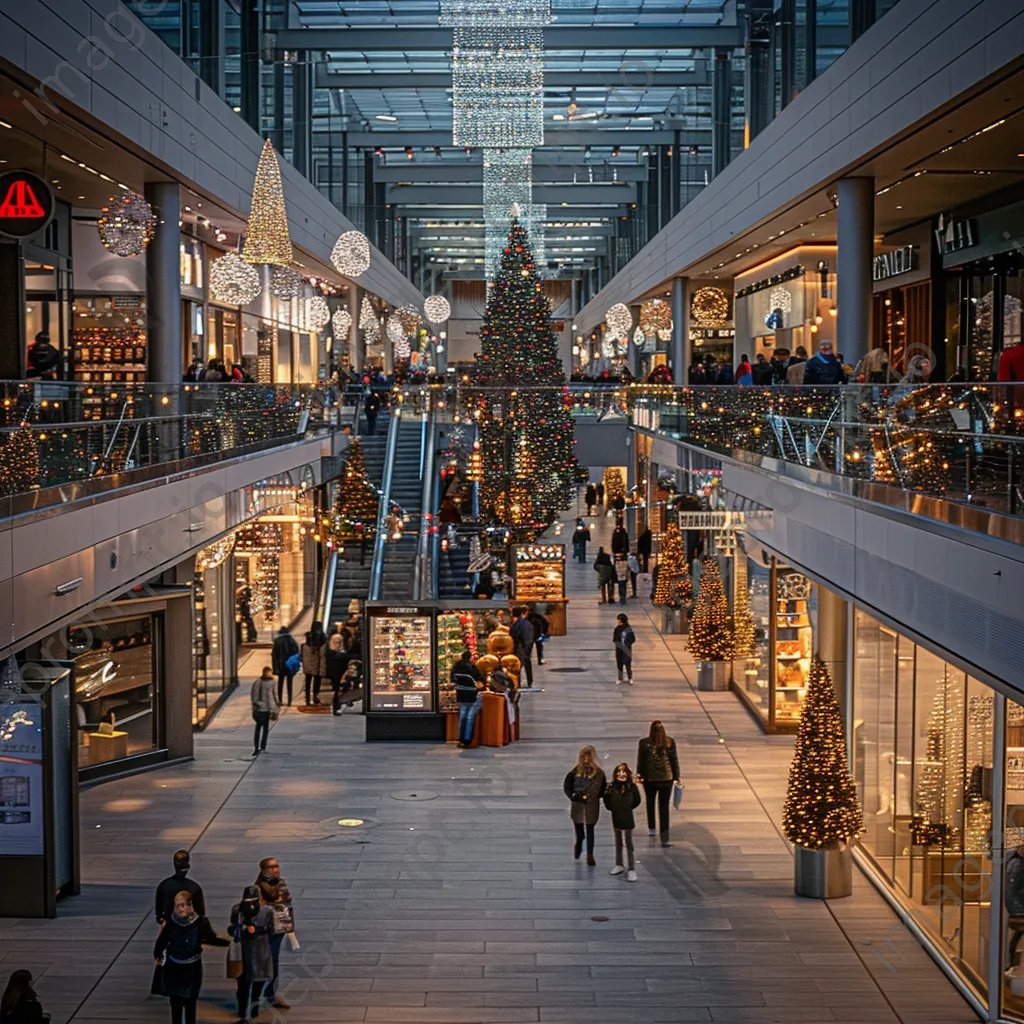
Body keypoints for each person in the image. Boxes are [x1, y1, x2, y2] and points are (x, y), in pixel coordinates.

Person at [153, 890, 228, 1024]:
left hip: (192, 969)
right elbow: (163, 940)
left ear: (189, 905)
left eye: (182, 905)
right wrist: (157, 954)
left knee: (190, 1004)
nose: (179, 909)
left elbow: (210, 938)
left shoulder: (200, 922)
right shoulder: (171, 922)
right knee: (175, 1004)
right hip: (174, 967)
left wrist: (228, 942)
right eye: (177, 906)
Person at [229, 886, 275, 1020]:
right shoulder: (238, 910)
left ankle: (254, 1011)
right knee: (243, 986)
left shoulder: (267, 911)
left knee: (257, 986)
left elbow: (271, 929)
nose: (251, 907)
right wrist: (240, 928)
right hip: (244, 953)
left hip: (260, 952)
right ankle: (242, 1012)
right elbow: (232, 927)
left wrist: (258, 930)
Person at [255, 858, 293, 1010]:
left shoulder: (279, 883)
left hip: (279, 928)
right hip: (266, 930)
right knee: (264, 964)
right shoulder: (259, 887)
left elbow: (286, 901)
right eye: (271, 867)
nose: (275, 869)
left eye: (277, 866)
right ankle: (261, 995)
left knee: (273, 962)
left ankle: (270, 993)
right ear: (264, 870)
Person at [636, 720, 680, 845]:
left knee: (650, 802)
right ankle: (664, 836)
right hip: (666, 779)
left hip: (650, 779)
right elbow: (674, 760)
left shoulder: (644, 743)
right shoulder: (669, 742)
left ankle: (652, 827)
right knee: (664, 807)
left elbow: (641, 760)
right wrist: (676, 776)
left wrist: (639, 774)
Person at [563, 745, 606, 867]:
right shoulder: (575, 772)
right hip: (578, 805)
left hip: (591, 806)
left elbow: (602, 789)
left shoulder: (598, 773)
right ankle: (579, 843)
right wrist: (573, 796)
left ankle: (590, 854)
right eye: (584, 757)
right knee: (580, 830)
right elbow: (567, 786)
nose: (586, 760)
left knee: (590, 829)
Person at [603, 763, 642, 882]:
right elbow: (607, 801)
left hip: (627, 817)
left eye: (624, 772)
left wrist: (627, 808)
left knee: (629, 843)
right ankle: (619, 863)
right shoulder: (611, 787)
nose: (621, 775)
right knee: (618, 841)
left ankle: (631, 868)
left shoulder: (632, 787)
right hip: (616, 816)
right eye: (619, 773)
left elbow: (637, 800)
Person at [155, 850, 206, 925]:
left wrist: (163, 921)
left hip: (170, 929)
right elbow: (201, 914)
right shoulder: (195, 887)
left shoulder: (164, 885)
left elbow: (159, 914)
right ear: (188, 865)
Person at [451, 650, 483, 747]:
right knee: (470, 717)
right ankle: (467, 739)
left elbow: (452, 679)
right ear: (469, 658)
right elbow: (479, 679)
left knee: (463, 716)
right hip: (472, 694)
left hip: (461, 693)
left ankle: (460, 738)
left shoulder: (456, 667)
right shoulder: (472, 668)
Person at [250, 667, 278, 758]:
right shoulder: (260, 682)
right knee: (261, 728)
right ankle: (259, 747)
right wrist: (260, 704)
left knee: (263, 729)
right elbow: (255, 696)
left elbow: (273, 695)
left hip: (265, 709)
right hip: (262, 709)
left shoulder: (270, 682)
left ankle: (261, 747)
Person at [301, 621, 328, 706]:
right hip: (318, 664)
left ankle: (308, 699)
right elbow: (323, 654)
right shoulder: (323, 638)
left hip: (308, 664)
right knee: (317, 681)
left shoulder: (308, 637)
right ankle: (315, 697)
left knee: (308, 682)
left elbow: (304, 652)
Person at [271, 626, 299, 706]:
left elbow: (274, 655)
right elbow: (296, 654)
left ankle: (280, 700)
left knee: (280, 683)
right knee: (290, 683)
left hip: (280, 665)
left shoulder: (277, 641)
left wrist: (275, 667)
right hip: (289, 665)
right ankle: (289, 700)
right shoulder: (292, 641)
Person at [325, 633, 351, 714]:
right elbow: (337, 657)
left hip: (342, 673)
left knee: (342, 690)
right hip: (334, 674)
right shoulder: (330, 652)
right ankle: (336, 706)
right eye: (337, 642)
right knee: (336, 691)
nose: (338, 644)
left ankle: (341, 704)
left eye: (340, 642)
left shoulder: (343, 651)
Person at [510, 605, 535, 688]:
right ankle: (529, 681)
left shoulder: (519, 624)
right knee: (526, 663)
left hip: (521, 646)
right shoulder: (525, 623)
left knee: (519, 665)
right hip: (524, 645)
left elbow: (523, 636)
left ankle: (519, 683)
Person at [613, 613, 636, 684]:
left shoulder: (628, 629)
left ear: (621, 620)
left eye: (618, 619)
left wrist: (627, 644)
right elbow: (615, 638)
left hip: (626, 649)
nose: (617, 621)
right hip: (619, 649)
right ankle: (620, 678)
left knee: (627, 663)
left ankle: (630, 678)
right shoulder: (617, 628)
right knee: (619, 663)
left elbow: (632, 638)